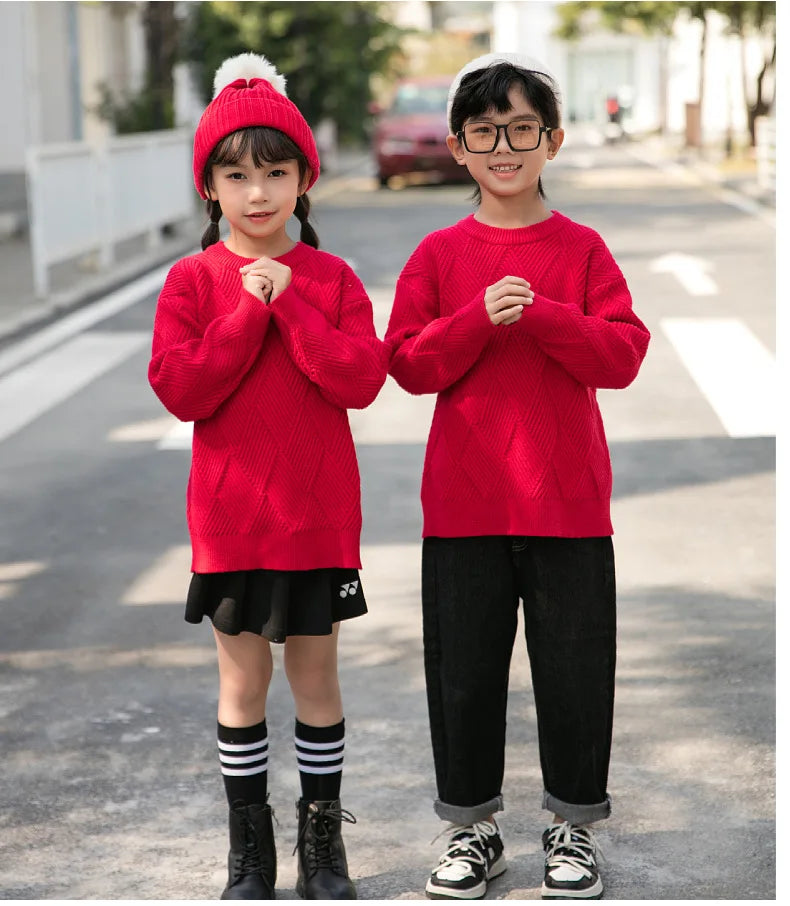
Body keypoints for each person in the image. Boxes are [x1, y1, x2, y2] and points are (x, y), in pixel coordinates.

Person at [384, 53, 650, 901]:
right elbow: (408, 365)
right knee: (462, 673)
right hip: (463, 506)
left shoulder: (581, 250)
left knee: (576, 670)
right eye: (485, 131)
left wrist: (547, 315)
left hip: (568, 503)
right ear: (459, 147)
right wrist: (475, 318)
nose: (505, 145)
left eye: (523, 128)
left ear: (553, 140)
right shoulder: (437, 252)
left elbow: (624, 354)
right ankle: (474, 832)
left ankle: (572, 828)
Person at [148, 53, 387, 901]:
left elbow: (360, 378)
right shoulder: (191, 280)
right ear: (209, 186)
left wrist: (291, 303)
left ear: (303, 179)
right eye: (236, 173)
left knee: (318, 680)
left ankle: (322, 850)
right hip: (231, 521)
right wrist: (250, 308)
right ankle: (247, 855)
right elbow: (183, 389)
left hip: (318, 518)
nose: (257, 192)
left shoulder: (331, 278)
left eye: (275, 171)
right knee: (243, 684)